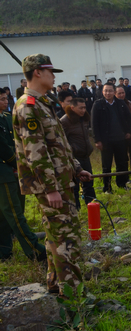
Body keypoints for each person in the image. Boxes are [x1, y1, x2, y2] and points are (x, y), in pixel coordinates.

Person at [12, 54, 92, 296]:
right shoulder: (28, 106)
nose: (54, 76)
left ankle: (56, 285)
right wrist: (50, 189)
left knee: (56, 236)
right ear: (37, 72)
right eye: (50, 71)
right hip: (51, 186)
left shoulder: (43, 103)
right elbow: (35, 153)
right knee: (67, 238)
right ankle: (74, 297)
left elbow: (59, 144)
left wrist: (77, 168)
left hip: (61, 180)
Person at [0, 87, 47, 263]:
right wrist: (17, 163)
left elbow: (16, 141)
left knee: (5, 214)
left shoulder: (5, 118)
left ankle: (4, 249)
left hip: (11, 170)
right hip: (4, 172)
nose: (5, 102)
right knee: (14, 213)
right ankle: (34, 249)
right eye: (1, 99)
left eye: (6, 99)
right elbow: (4, 148)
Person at [91, 82, 131, 193]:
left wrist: (129, 131)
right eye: (106, 91)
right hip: (106, 141)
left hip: (120, 139)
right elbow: (94, 124)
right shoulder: (98, 105)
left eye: (110, 91)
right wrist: (97, 140)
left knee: (122, 163)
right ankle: (107, 187)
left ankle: (122, 183)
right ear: (102, 92)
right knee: (107, 165)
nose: (108, 93)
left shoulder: (120, 103)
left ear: (114, 92)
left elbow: (129, 119)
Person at [60, 98, 96, 210]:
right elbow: (62, 141)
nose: (83, 110)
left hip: (85, 155)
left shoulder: (84, 119)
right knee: (74, 185)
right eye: (81, 108)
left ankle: (92, 204)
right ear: (72, 108)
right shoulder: (64, 121)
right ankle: (76, 208)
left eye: (85, 107)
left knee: (89, 181)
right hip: (74, 157)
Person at [116, 86, 131, 182]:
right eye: (119, 93)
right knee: (123, 157)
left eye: (123, 93)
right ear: (115, 94)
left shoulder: (129, 102)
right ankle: (126, 177)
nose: (122, 95)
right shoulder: (115, 105)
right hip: (122, 134)